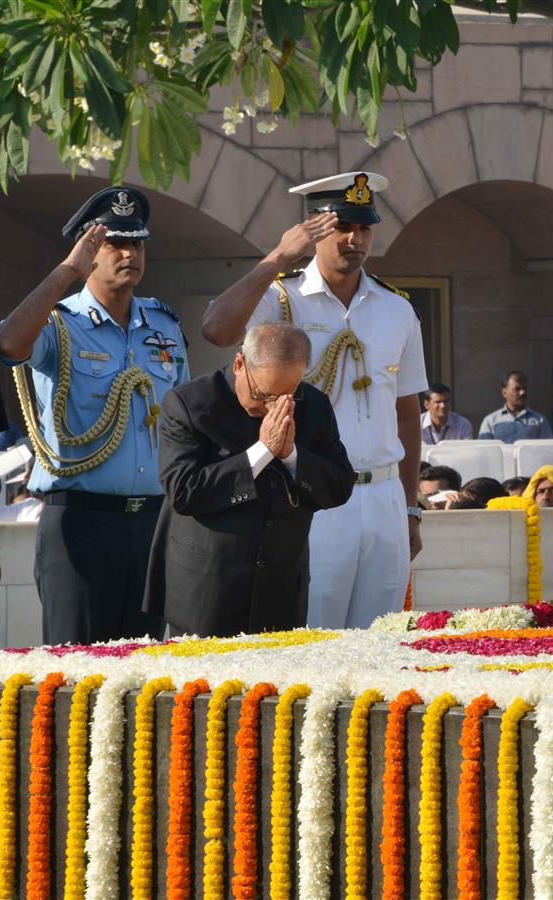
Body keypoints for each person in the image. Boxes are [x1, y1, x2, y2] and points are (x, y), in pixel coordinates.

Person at [200, 172, 428, 629]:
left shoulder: (396, 307)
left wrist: (410, 506)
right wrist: (280, 256)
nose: (354, 239)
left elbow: (407, 412)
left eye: (363, 228)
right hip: (313, 491)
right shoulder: (281, 298)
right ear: (314, 228)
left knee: (383, 639)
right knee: (316, 635)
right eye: (341, 226)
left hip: (383, 495)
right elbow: (217, 329)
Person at [0, 186, 190, 644]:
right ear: (88, 252)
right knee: (76, 672)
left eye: (137, 243)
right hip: (81, 523)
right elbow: (9, 344)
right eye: (114, 243)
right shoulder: (59, 321)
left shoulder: (164, 325)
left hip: (152, 521)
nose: (129, 254)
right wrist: (65, 273)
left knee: (144, 679)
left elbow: (180, 417)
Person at [144, 324, 355, 637]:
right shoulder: (190, 404)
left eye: (288, 395)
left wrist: (291, 456)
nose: (273, 407)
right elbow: (184, 492)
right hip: (207, 589)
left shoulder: (313, 405)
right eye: (263, 395)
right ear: (240, 364)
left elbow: (339, 486)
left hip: (280, 588)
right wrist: (261, 452)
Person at [478, 371, 553, 442]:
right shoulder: (490, 421)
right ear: (504, 392)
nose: (522, 392)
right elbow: (484, 451)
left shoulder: (540, 421)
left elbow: (547, 450)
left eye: (525, 388)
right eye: (517, 389)